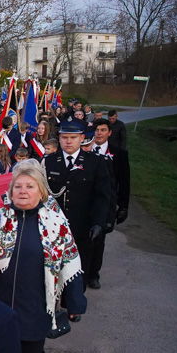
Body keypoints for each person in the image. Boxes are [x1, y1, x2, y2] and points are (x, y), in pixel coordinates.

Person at [0, 159, 86, 353]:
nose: (23, 191)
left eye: (30, 186)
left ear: (41, 191)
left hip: (35, 302)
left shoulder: (56, 223)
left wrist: (75, 302)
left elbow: (70, 261)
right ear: (11, 191)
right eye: (18, 187)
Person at [43, 123, 111, 300]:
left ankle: (74, 302)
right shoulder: (49, 162)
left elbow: (102, 196)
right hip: (53, 227)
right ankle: (53, 299)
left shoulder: (95, 162)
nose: (68, 142)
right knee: (53, 265)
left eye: (73, 138)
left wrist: (98, 223)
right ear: (59, 138)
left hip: (82, 226)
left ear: (82, 138)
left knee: (79, 266)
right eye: (64, 137)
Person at [88, 119, 131, 289]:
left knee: (99, 241)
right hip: (85, 202)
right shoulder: (85, 149)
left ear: (109, 133)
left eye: (103, 130)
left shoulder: (118, 153)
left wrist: (123, 206)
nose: (99, 133)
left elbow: (124, 181)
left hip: (106, 204)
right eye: (96, 130)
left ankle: (93, 274)